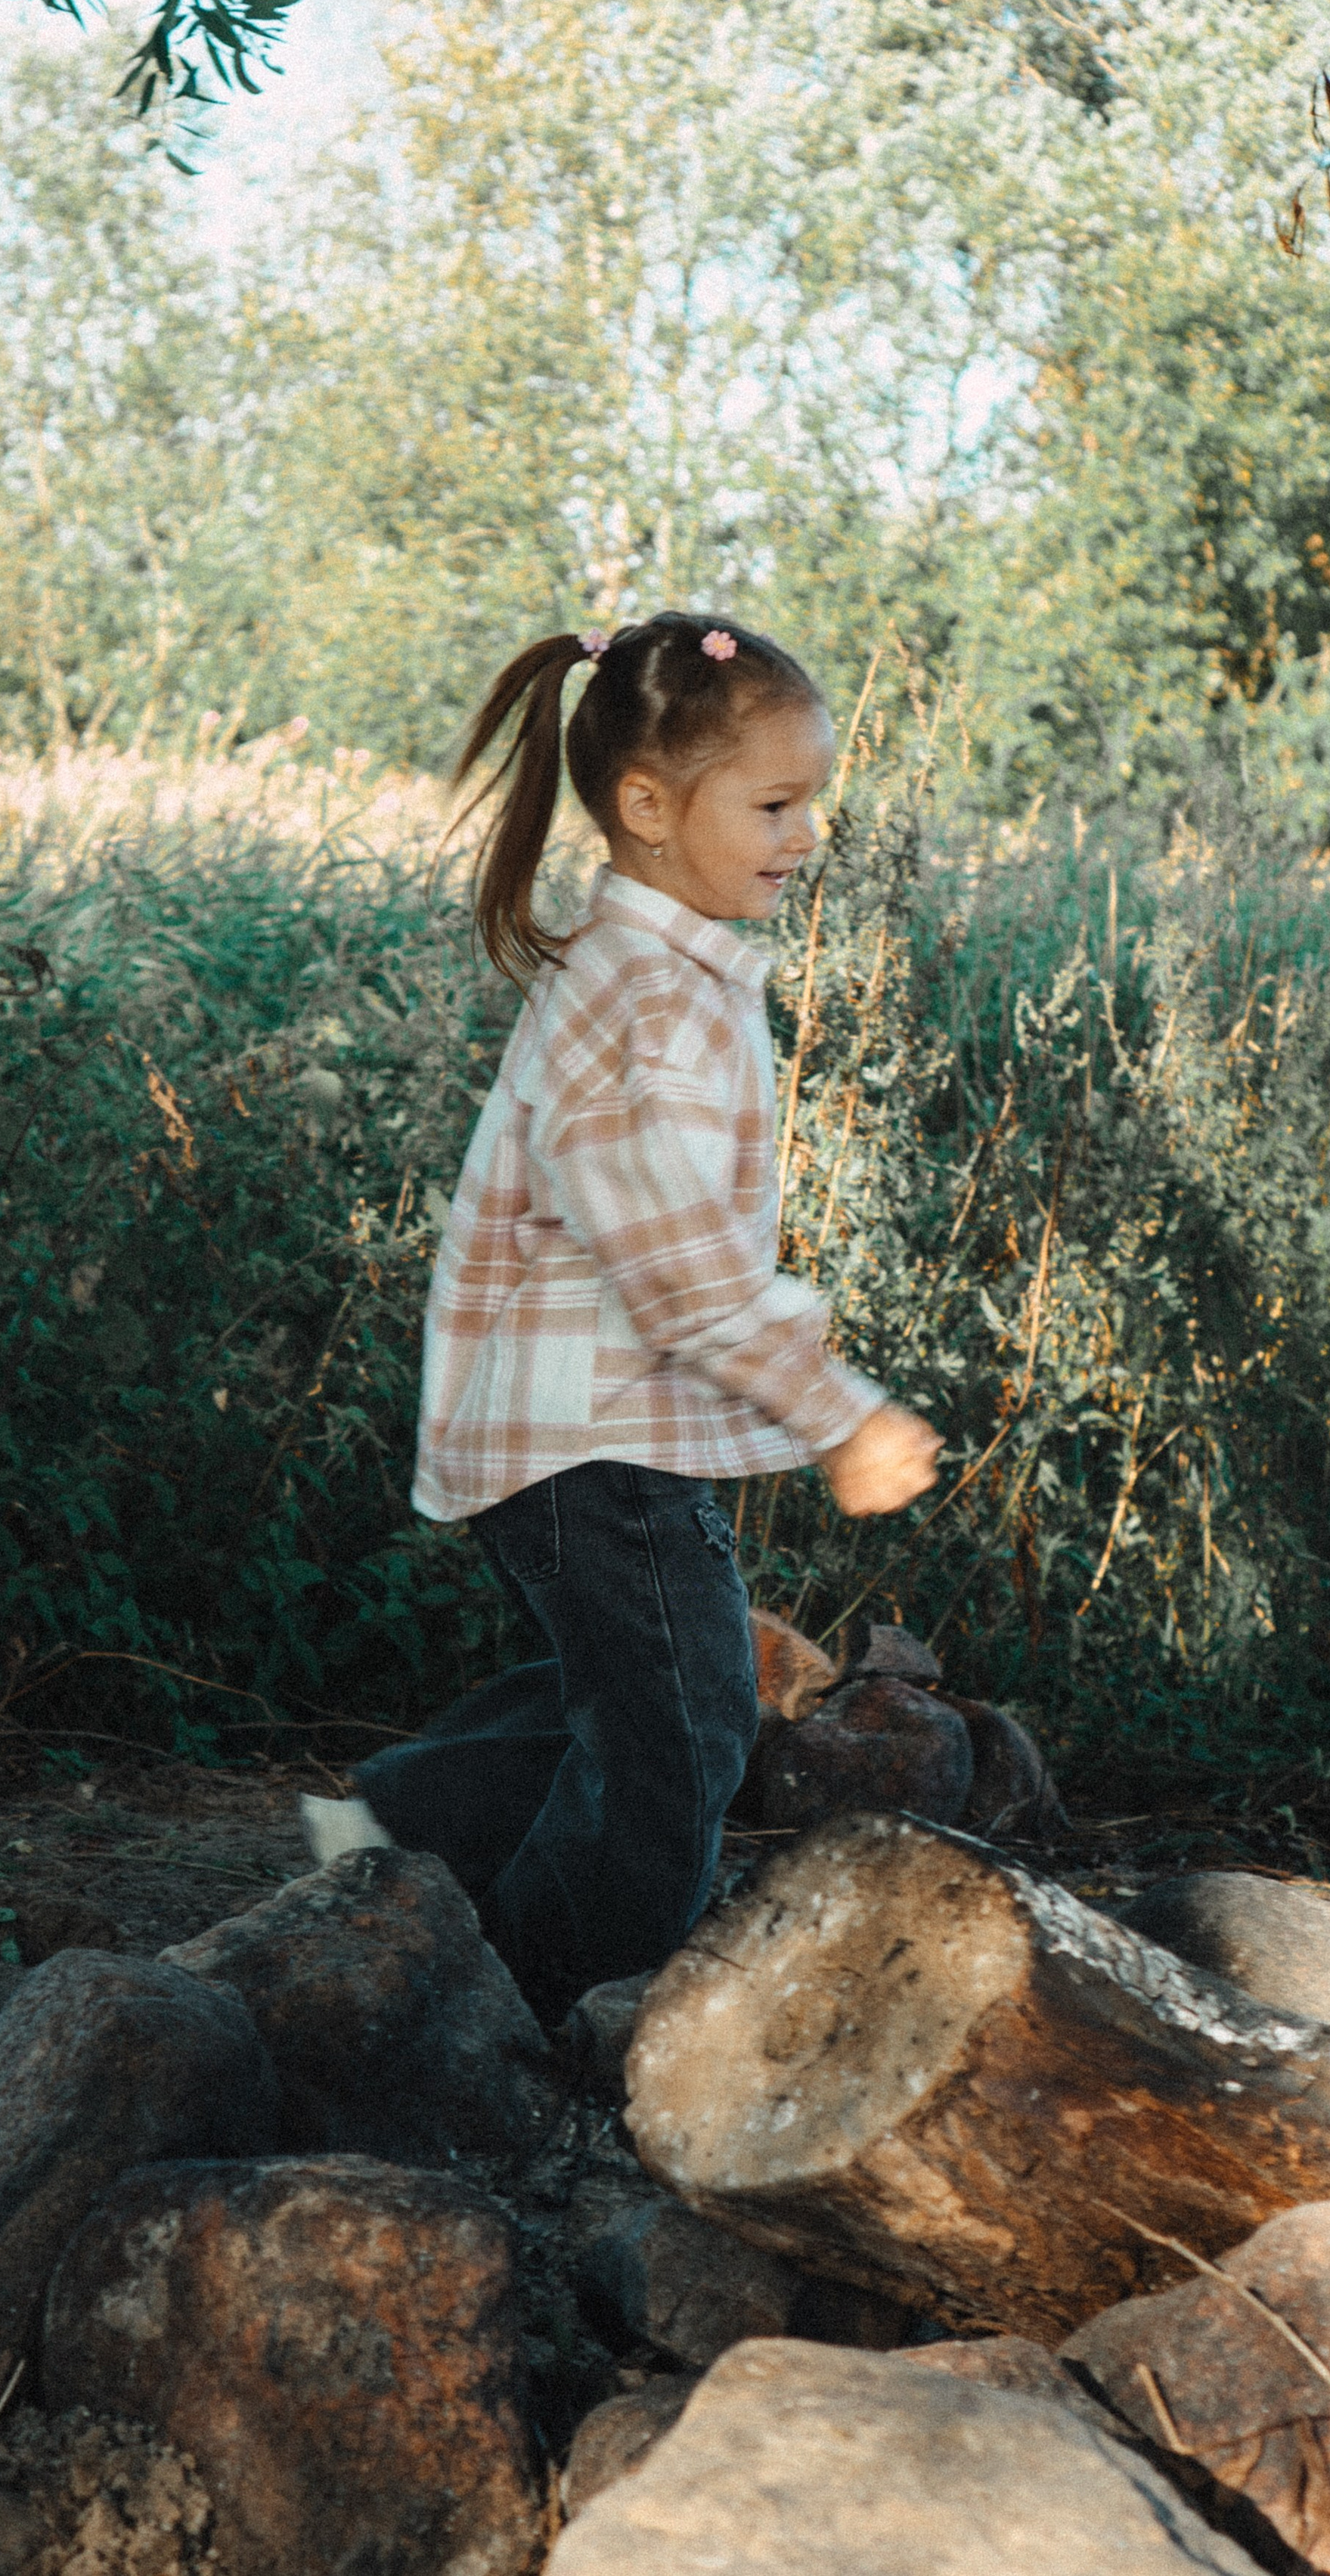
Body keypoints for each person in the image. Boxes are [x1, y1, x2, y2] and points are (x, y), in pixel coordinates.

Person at [302, 611, 941, 2023]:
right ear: (647, 808)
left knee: (641, 1685)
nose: (805, 833)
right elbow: (682, 1268)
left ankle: (392, 1834)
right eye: (774, 804)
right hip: (590, 1434)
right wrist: (842, 1413)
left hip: (603, 1423)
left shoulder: (675, 975)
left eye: (810, 802)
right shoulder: (641, 997)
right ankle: (552, 2009)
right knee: (685, 1733)